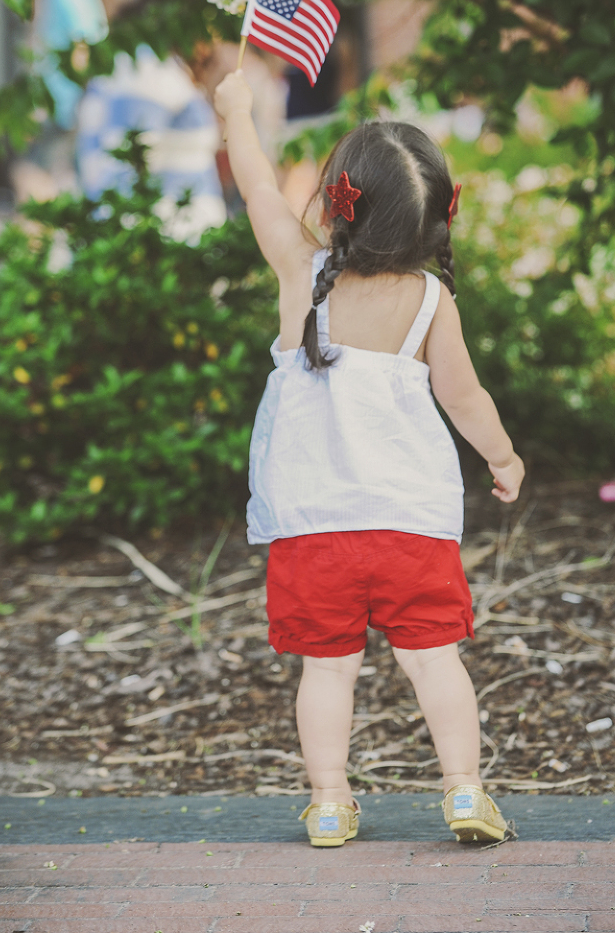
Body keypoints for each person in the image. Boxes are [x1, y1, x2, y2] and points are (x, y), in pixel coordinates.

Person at [214, 70, 525, 848]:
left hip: (313, 531)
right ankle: (464, 789)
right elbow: (466, 398)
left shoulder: (301, 270)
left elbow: (257, 187)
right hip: (409, 528)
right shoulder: (430, 301)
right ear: (434, 222)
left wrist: (236, 112)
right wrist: (503, 457)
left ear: (335, 201)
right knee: (435, 662)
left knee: (327, 671)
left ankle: (328, 801)